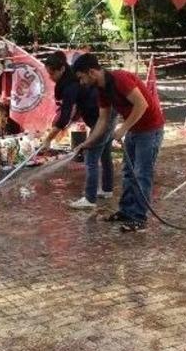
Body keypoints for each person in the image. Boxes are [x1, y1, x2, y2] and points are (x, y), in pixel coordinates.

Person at [72, 53, 165, 232]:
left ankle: (139, 219)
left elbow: (142, 104)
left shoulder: (120, 78)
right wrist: (88, 142)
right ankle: (126, 211)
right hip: (134, 130)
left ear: (91, 72)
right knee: (128, 172)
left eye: (81, 77)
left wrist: (123, 128)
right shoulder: (102, 90)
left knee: (141, 174)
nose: (81, 82)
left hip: (150, 129)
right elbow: (103, 120)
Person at [42, 51, 116, 209]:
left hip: (101, 119)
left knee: (90, 157)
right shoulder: (72, 81)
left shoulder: (70, 86)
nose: (50, 77)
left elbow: (64, 117)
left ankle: (89, 199)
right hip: (105, 115)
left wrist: (48, 139)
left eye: (52, 73)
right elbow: (73, 113)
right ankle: (107, 189)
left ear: (61, 69)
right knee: (105, 154)